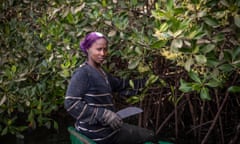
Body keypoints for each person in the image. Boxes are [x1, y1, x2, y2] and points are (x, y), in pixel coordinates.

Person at [64, 32, 156, 144]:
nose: (103, 53)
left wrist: (148, 82)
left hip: (97, 130)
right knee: (150, 135)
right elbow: (71, 103)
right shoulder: (83, 73)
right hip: (99, 133)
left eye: (105, 49)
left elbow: (121, 85)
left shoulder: (102, 73)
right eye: (98, 49)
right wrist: (104, 114)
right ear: (88, 49)